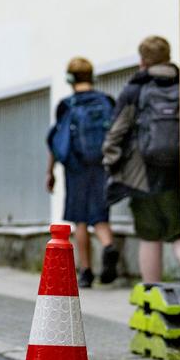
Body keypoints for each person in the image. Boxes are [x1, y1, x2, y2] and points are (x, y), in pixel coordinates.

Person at [103, 36, 180, 283]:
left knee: (150, 237)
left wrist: (113, 166)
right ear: (168, 56)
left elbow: (116, 132)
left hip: (144, 179)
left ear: (142, 60)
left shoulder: (134, 90)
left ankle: (150, 294)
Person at [47, 58, 120, 288]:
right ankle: (109, 245)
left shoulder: (65, 105)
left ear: (70, 79)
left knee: (80, 219)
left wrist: (50, 172)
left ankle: (86, 271)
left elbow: (56, 141)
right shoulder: (106, 101)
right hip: (102, 165)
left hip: (75, 168)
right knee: (99, 214)